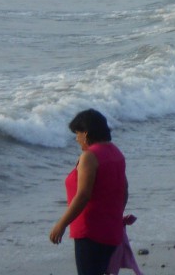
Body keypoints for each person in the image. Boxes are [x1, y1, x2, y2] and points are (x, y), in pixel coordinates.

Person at [49, 109, 129, 275]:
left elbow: (83, 195)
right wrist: (115, 216)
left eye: (77, 134)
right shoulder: (116, 152)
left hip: (90, 231)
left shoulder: (90, 157)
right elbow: (124, 190)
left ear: (86, 133)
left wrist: (61, 224)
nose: (77, 139)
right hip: (111, 230)